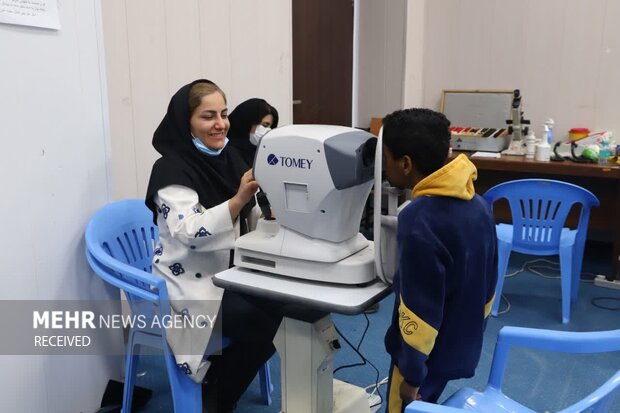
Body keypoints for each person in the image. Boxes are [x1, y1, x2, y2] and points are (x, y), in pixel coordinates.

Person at [145, 79, 282, 412]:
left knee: (282, 307)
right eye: (208, 116)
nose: (220, 123)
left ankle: (217, 384)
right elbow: (190, 231)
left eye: (223, 113)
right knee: (262, 321)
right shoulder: (170, 170)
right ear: (186, 122)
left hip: (228, 273)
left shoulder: (230, 156)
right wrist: (238, 199)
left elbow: (257, 208)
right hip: (188, 284)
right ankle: (216, 400)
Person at [381, 108, 498, 411]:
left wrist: (412, 375)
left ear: (405, 163)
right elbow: (489, 288)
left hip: (422, 359)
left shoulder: (419, 221)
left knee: (406, 407)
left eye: (386, 157)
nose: (384, 166)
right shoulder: (480, 205)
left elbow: (418, 314)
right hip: (458, 346)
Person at [227, 98, 279, 166]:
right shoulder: (226, 155)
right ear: (247, 123)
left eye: (271, 127)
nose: (268, 131)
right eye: (265, 125)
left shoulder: (265, 154)